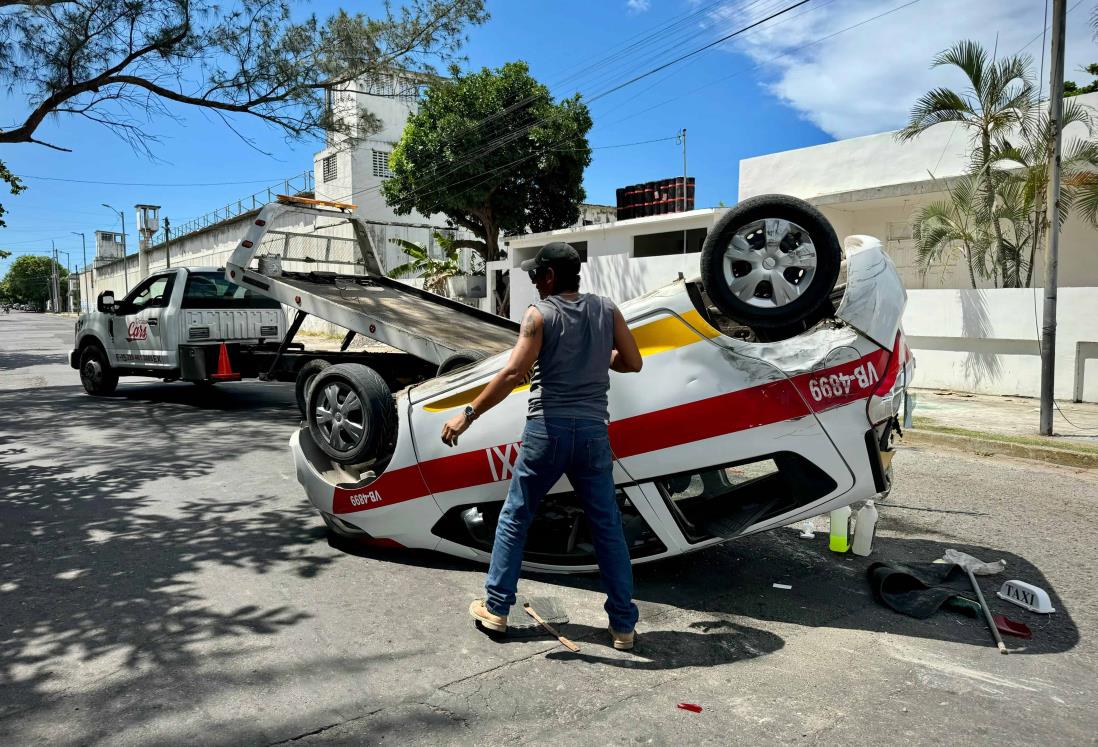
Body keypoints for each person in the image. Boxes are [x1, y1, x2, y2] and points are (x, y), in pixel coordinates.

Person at [441, 241, 644, 650]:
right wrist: (598, 357)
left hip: (546, 431)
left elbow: (515, 370)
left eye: (536, 275)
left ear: (550, 276)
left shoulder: (539, 315)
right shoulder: (607, 310)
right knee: (607, 526)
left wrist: (468, 413)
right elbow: (633, 361)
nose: (533, 282)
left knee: (516, 516)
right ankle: (623, 626)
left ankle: (497, 608)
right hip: (591, 434)